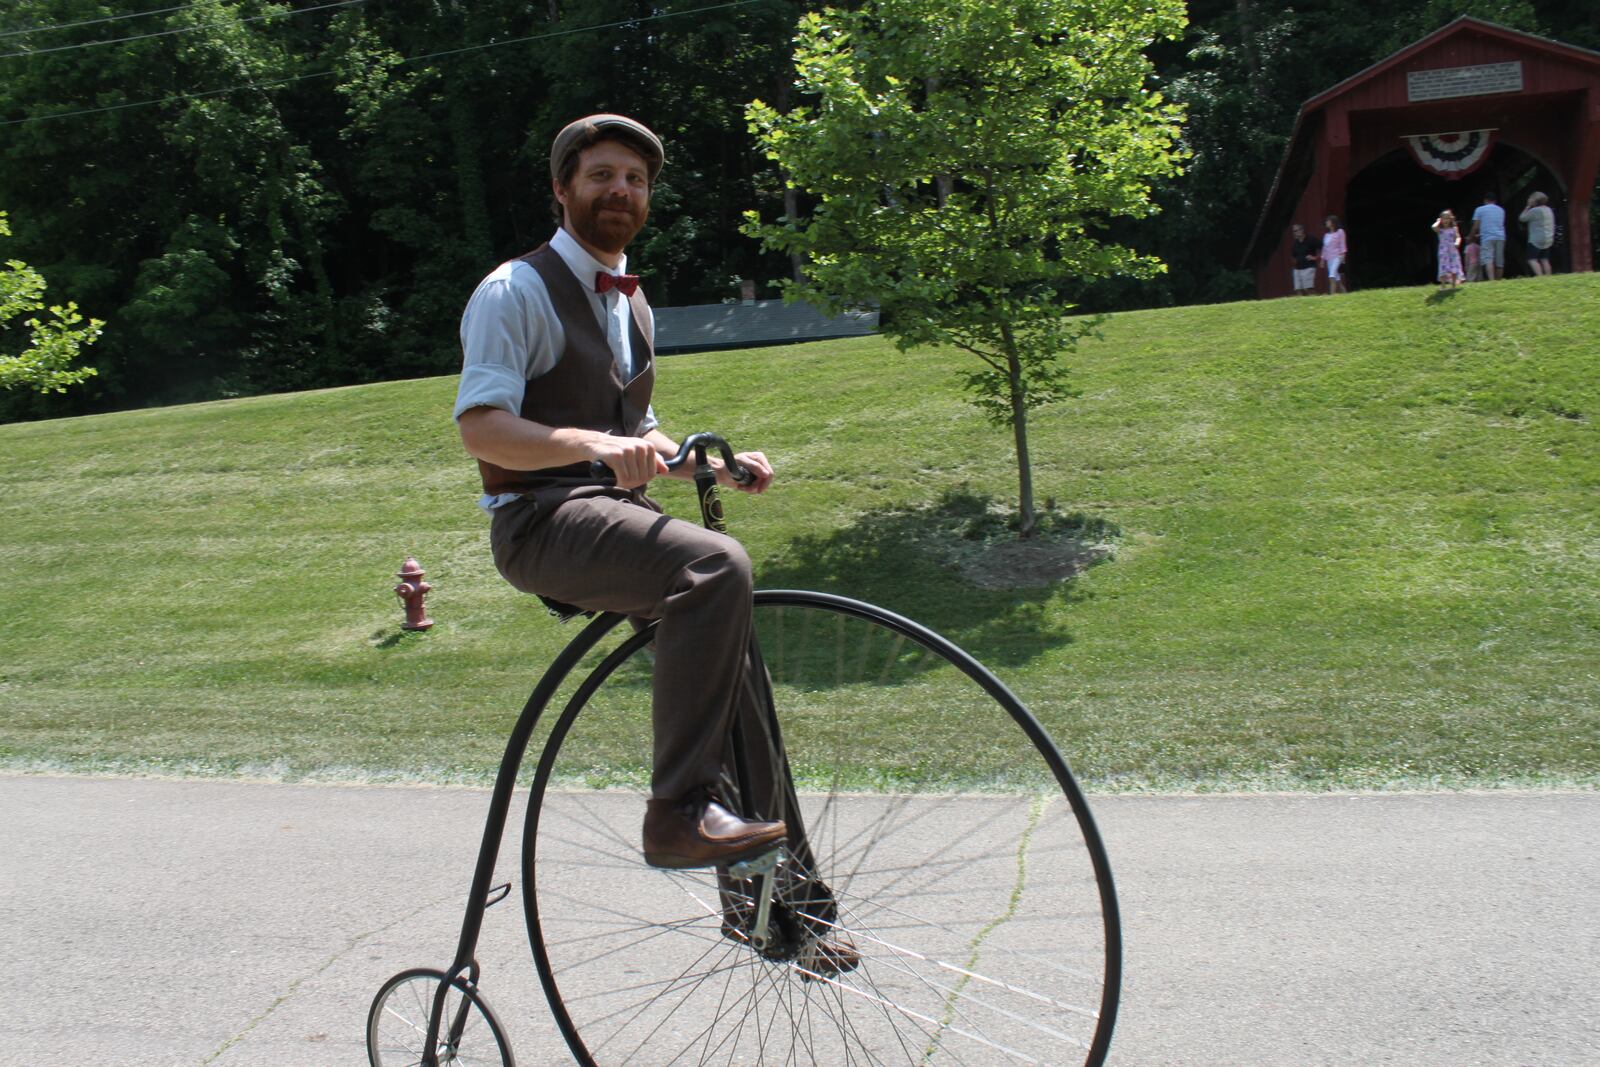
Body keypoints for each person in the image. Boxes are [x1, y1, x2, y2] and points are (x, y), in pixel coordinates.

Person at [452, 114, 788, 872]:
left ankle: (782, 899)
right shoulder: (514, 290)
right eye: (601, 174)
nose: (620, 190)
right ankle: (676, 813)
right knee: (715, 565)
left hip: (611, 512)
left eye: (634, 179)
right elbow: (483, 429)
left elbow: (639, 431)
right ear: (562, 188)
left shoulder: (630, 303)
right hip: (540, 522)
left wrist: (705, 460)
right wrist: (598, 447)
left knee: (741, 677)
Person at [1469, 191, 1506, 280]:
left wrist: (1471, 236)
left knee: (1488, 259)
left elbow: (1476, 226)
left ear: (1485, 200)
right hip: (1500, 237)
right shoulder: (1501, 210)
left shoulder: (1480, 209)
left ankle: (1492, 280)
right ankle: (1498, 281)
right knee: (1499, 261)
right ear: (1495, 200)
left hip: (1487, 237)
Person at [1519, 191, 1556, 276]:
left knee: (1532, 259)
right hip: (1548, 238)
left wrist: (1527, 206)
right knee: (1544, 259)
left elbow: (1522, 218)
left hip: (1536, 239)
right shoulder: (1548, 209)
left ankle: (1540, 277)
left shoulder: (1535, 211)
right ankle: (1548, 277)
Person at [1431, 209, 1463, 288]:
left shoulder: (1454, 228)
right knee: (1443, 267)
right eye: (1444, 218)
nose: (1446, 220)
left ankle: (1453, 285)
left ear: (1451, 219)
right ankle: (1443, 286)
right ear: (1441, 219)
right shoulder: (1440, 230)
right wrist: (1438, 221)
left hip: (1452, 251)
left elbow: (1458, 237)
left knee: (1454, 267)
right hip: (1443, 251)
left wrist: (1457, 242)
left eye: (1447, 218)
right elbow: (1433, 227)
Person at [1288, 223, 1319, 296]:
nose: (1294, 233)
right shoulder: (1295, 243)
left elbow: (1323, 247)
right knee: (1298, 289)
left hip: (1309, 267)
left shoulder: (1311, 239)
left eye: (1296, 231)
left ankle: (1317, 299)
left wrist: (1315, 257)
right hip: (1297, 269)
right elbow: (1293, 256)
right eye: (1293, 231)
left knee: (1308, 289)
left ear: (1301, 230)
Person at [1321, 215, 1348, 294]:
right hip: (1329, 259)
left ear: (1333, 222)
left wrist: (1343, 255)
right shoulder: (1326, 235)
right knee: (1337, 279)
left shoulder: (1340, 232)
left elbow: (1343, 244)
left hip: (1337, 257)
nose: (1326, 222)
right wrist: (1322, 260)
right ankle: (1346, 295)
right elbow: (1324, 248)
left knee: (1331, 275)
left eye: (1328, 221)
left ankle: (1332, 296)